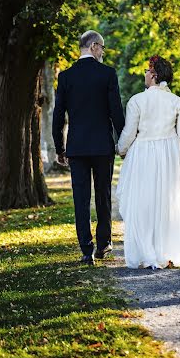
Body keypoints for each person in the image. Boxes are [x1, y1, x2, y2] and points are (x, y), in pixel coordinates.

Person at [52, 30, 125, 265]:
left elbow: (58, 116)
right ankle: (103, 244)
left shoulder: (65, 77)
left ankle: (86, 248)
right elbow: (116, 112)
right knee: (103, 195)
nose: (103, 52)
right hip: (103, 146)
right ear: (93, 46)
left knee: (80, 198)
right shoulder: (107, 74)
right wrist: (123, 140)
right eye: (102, 47)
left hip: (77, 147)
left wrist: (59, 148)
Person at [116, 55, 180, 269]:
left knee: (143, 202)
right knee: (167, 202)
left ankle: (145, 251)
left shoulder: (137, 100)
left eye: (147, 71)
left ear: (154, 75)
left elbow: (129, 132)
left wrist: (121, 149)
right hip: (169, 155)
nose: (144, 74)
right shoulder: (178, 102)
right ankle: (166, 251)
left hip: (143, 155)